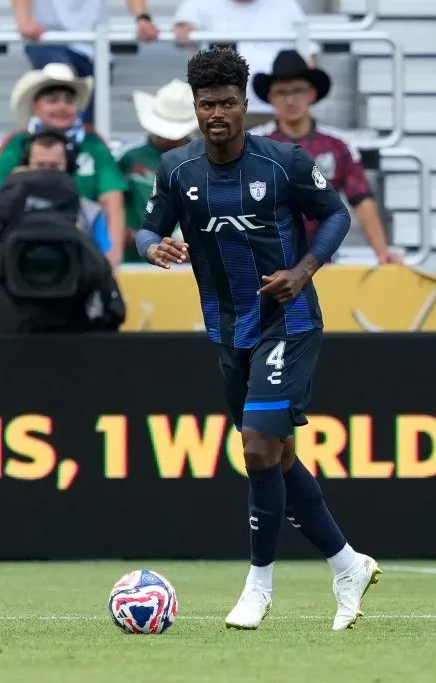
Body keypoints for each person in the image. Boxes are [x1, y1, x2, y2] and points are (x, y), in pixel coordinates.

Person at [136, 46, 381, 631]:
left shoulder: (285, 163)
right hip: (228, 329)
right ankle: (348, 563)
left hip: (288, 323)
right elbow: (148, 225)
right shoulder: (177, 169)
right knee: (277, 454)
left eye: (226, 102)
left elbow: (338, 214)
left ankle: (258, 586)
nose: (216, 113)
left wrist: (302, 271)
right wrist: (152, 245)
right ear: (195, 109)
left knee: (253, 448)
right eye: (206, 104)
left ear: (244, 105)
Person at [250, 51, 402, 264]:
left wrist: (381, 252)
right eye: (281, 92)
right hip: (263, 261)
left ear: (311, 94)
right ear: (270, 98)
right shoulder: (253, 145)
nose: (291, 100)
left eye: (298, 91)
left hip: (321, 262)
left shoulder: (338, 145)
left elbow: (361, 199)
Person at [0, 64, 127, 268]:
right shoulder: (14, 145)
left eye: (68, 100)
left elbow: (113, 202)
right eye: (52, 100)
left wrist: (112, 258)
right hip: (21, 253)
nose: (62, 107)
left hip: (81, 254)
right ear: (36, 105)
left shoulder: (94, 145)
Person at [0, 128, 111, 295]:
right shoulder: (4, 209)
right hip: (13, 302)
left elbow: (105, 265)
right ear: (27, 166)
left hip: (70, 303)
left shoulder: (90, 213)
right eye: (40, 165)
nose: (46, 172)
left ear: (69, 167)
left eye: (54, 166)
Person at [171, 0, 320, 129]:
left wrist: (302, 105)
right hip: (219, 111)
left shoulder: (286, 5)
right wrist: (184, 30)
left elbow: (307, 57)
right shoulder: (199, 4)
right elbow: (181, 33)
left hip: (274, 112)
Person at [11, 0, 160, 125]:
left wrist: (143, 18)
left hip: (93, 45)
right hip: (49, 37)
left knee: (87, 122)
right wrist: (24, 20)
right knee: (59, 100)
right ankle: (45, 148)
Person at [116, 79, 199, 262]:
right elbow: (115, 202)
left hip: (190, 262)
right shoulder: (129, 157)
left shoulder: (204, 158)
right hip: (136, 260)